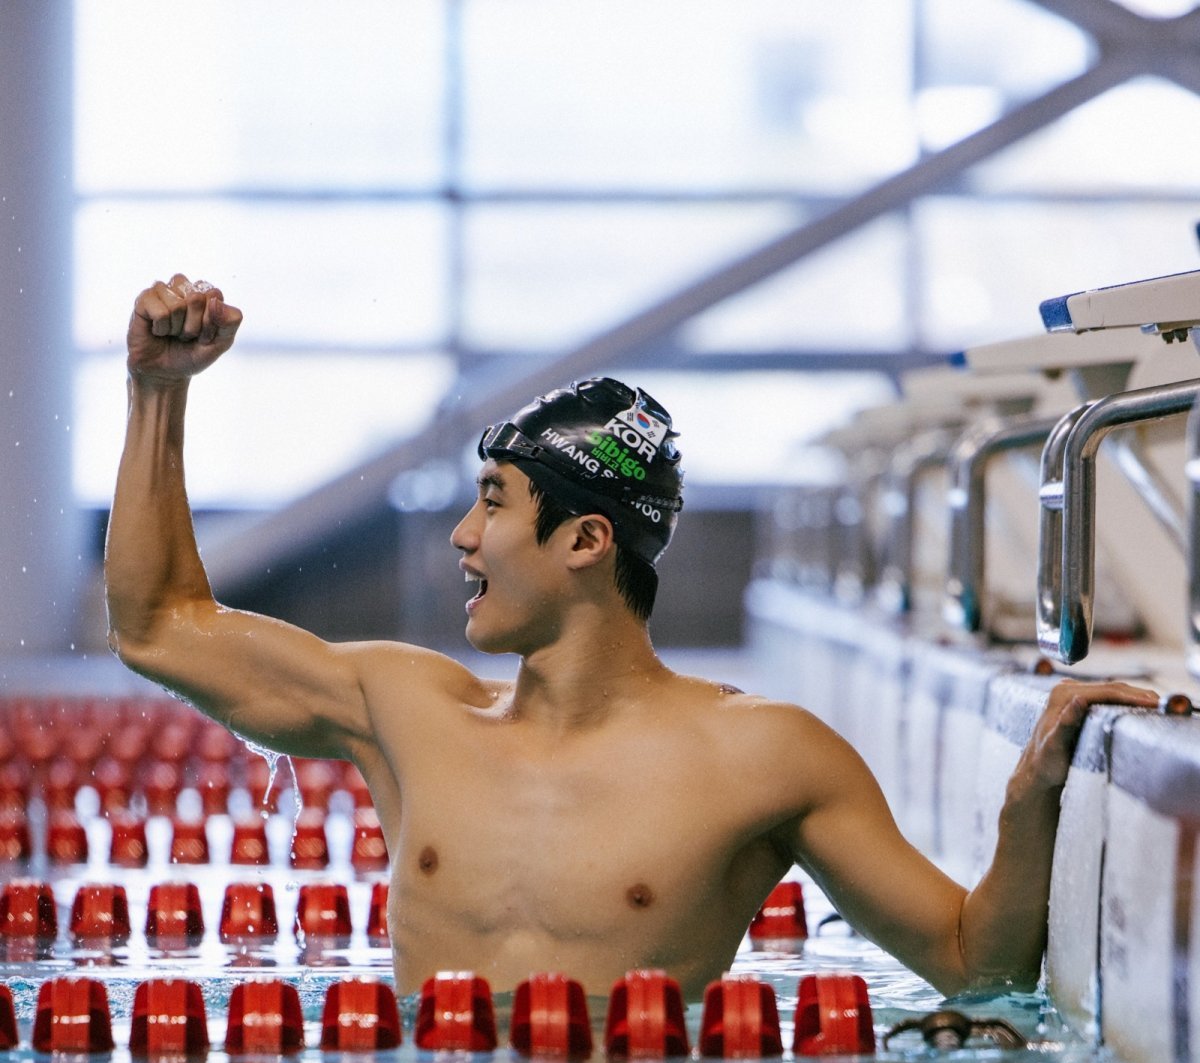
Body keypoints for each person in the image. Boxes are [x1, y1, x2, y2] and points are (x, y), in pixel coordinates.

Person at [105, 274, 1157, 1001]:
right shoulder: (404, 712)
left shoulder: (763, 756)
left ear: (586, 537)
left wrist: (1031, 804)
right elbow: (160, 627)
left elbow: (975, 965)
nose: (462, 538)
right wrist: (159, 393)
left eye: (494, 503)